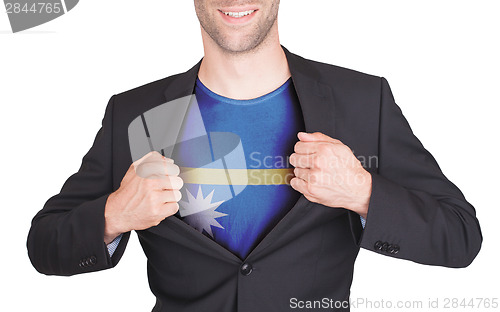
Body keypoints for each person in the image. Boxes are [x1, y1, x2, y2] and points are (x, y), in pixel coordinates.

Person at [27, 1, 482, 311]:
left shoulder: (362, 101)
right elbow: (44, 245)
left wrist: (363, 192)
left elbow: (460, 236)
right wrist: (114, 214)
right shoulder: (136, 113)